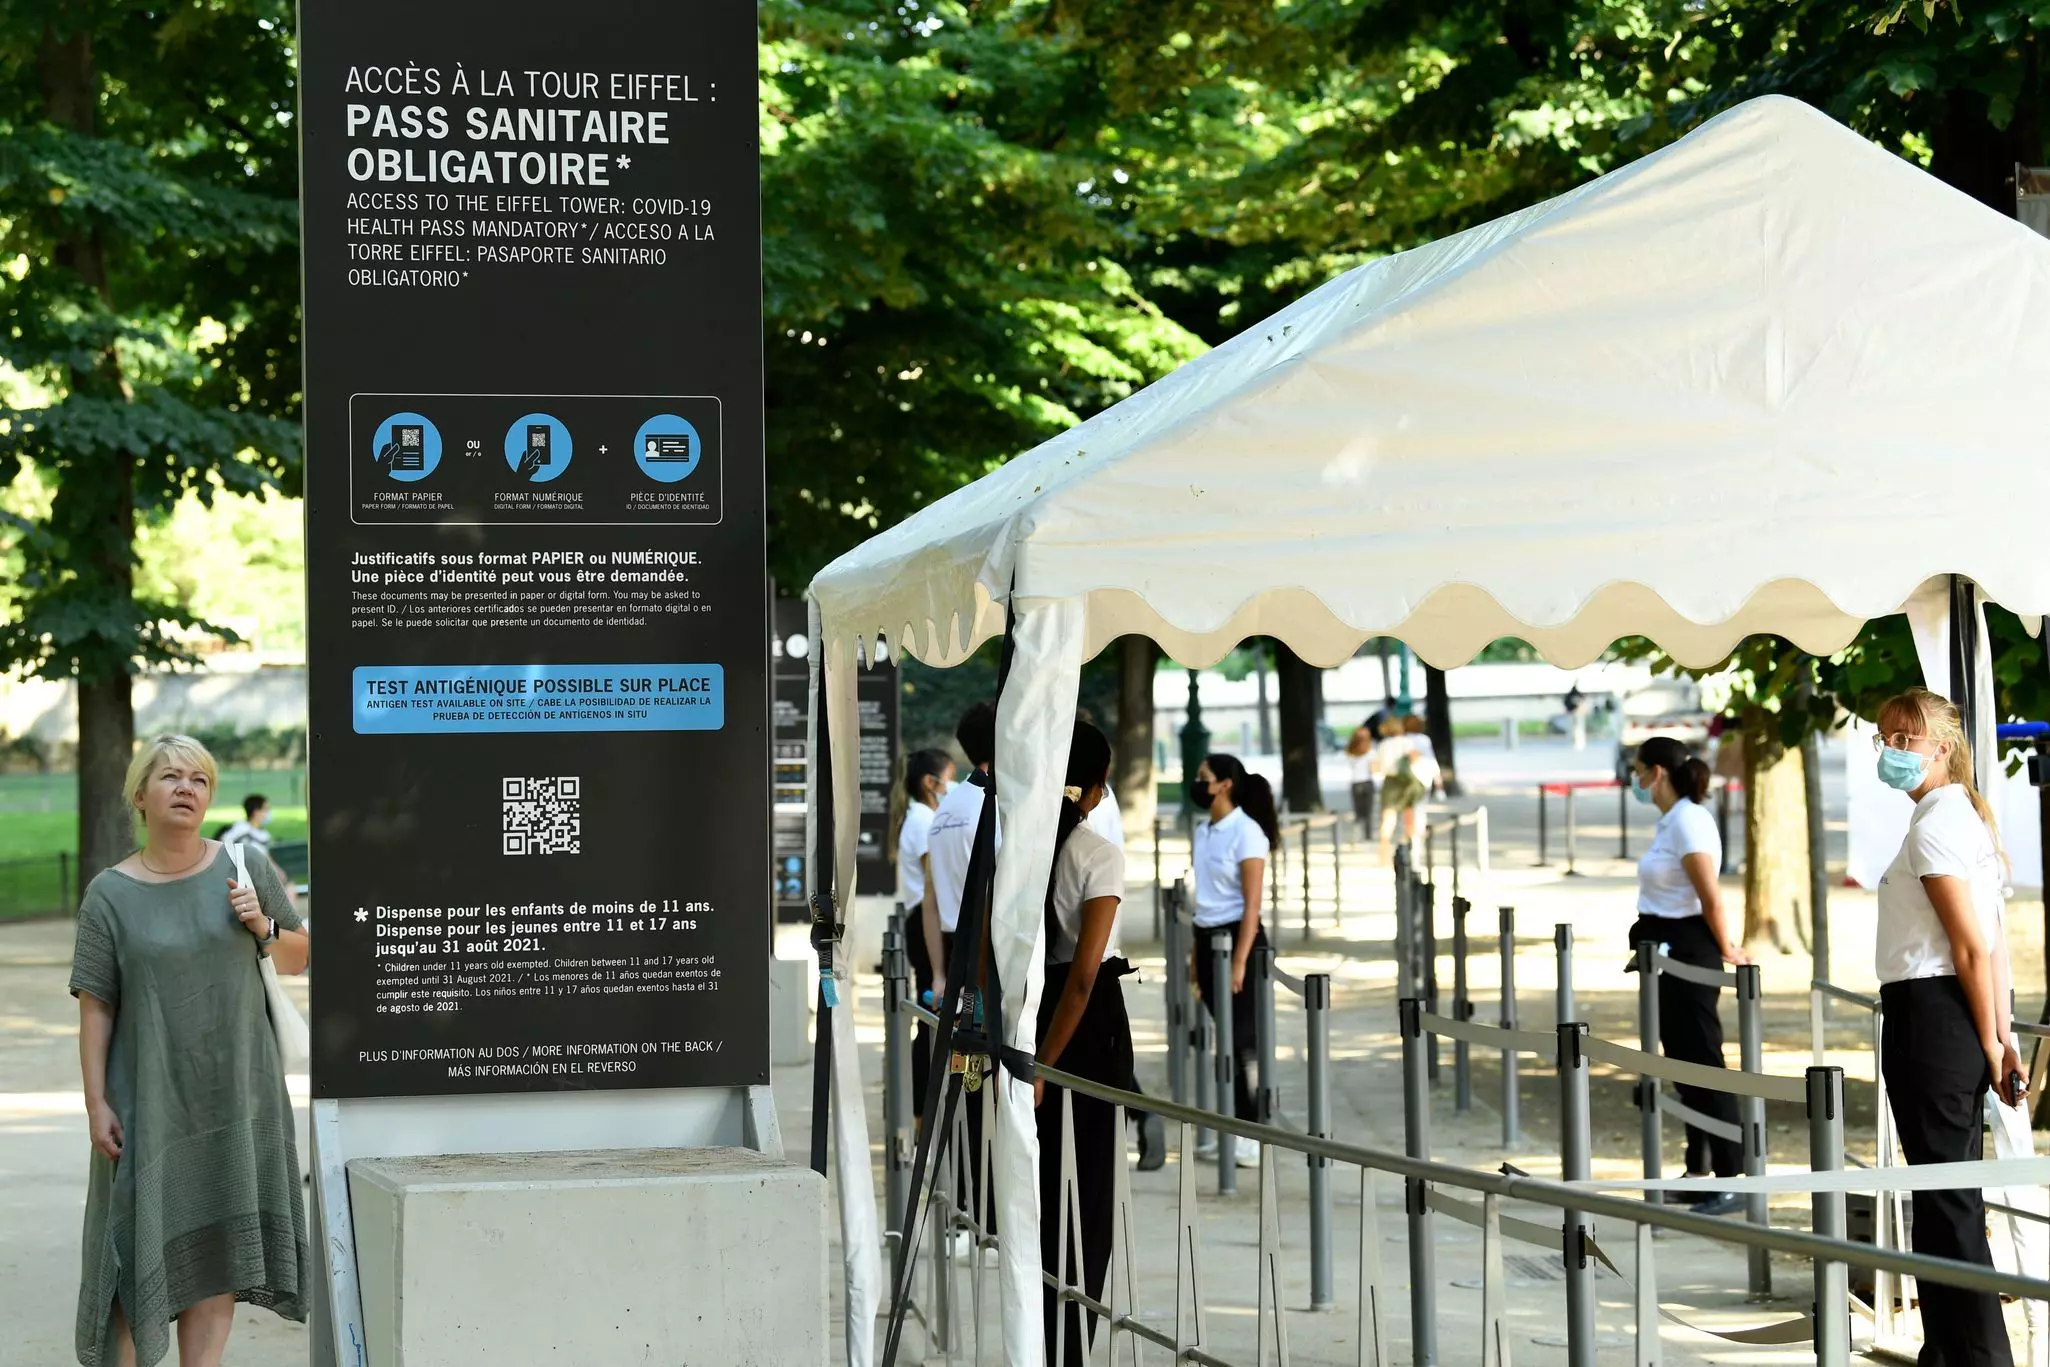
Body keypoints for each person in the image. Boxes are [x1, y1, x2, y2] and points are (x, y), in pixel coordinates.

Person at [70, 735, 310, 1367]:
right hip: (148, 1099)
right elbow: (95, 1005)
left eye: (199, 780)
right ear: (139, 796)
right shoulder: (109, 894)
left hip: (236, 1090)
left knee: (217, 1251)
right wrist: (96, 1103)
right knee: (133, 1254)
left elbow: (298, 956)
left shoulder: (243, 867)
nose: (186, 789)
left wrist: (262, 924)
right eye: (171, 777)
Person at [1872, 688, 2020, 1367]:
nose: (1893, 751)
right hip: (1948, 1016)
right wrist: (1999, 1033)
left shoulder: (1937, 824)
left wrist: (1994, 1040)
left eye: (1907, 739)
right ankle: (1951, 1348)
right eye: (1886, 738)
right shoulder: (1956, 816)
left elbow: (1969, 945)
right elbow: (1988, 945)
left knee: (1948, 1197)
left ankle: (1979, 1353)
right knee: (1941, 1194)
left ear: (1942, 746)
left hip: (1932, 1017)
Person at [1034, 721, 1135, 1363]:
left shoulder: (1021, 846)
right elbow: (1084, 978)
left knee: (1041, 1188)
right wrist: (1047, 1065)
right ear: (1097, 788)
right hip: (1087, 1026)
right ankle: (1071, 1346)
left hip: (1031, 1013)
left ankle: (1039, 1335)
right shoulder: (1097, 852)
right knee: (1089, 1192)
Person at [1625, 735, 1747, 1216]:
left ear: (1657, 772)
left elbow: (1709, 894)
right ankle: (1698, 1169)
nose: (1635, 780)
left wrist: (1726, 946)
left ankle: (1732, 1176)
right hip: (1664, 949)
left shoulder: (1689, 820)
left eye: (1638, 771)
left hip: (1688, 951)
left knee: (1702, 1063)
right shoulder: (1671, 822)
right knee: (1680, 1064)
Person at [922, 701, 999, 1241]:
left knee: (962, 1083)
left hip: (953, 953)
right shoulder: (988, 810)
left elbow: (929, 902)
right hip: (982, 955)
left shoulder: (948, 808)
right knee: (985, 1085)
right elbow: (997, 899)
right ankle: (982, 1216)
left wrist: (938, 971)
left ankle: (963, 1208)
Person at [1188, 752, 1279, 1167]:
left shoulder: (1248, 833)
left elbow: (1252, 904)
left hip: (1239, 941)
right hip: (1207, 939)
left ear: (1225, 784)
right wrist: (1194, 956)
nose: (1198, 783)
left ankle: (1252, 1130)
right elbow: (1202, 898)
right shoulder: (1204, 830)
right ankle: (1231, 1125)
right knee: (1223, 1038)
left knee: (1245, 1041)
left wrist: (1240, 961)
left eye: (1204, 777)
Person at [897, 748, 955, 1126]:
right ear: (930, 783)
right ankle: (921, 1109)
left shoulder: (924, 817)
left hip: (923, 921)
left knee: (930, 1016)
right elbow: (934, 884)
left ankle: (923, 1108)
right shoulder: (923, 822)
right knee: (929, 1017)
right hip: (925, 923)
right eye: (948, 777)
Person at [1374, 716, 1435, 861]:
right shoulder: (1406, 742)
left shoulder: (1383, 745)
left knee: (1388, 819)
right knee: (1409, 818)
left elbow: (1378, 766)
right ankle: (1408, 849)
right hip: (1406, 781)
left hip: (1390, 782)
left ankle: (1383, 853)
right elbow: (1415, 758)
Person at [1347, 719, 1380, 842]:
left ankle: (1356, 832)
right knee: (1368, 811)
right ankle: (1368, 834)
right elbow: (1374, 769)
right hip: (1367, 782)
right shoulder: (1370, 752)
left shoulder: (1350, 752)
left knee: (1358, 811)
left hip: (1355, 783)